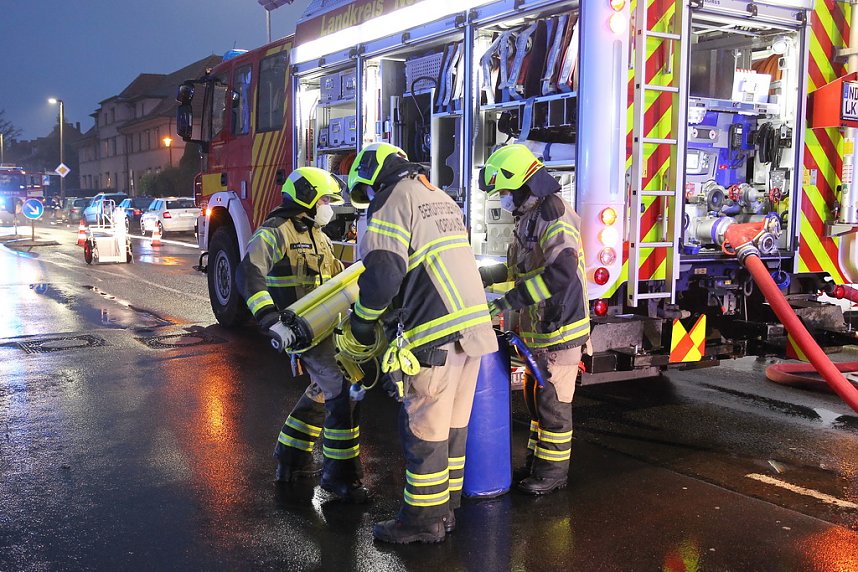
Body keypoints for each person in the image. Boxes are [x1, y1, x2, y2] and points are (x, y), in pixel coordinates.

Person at [343, 142, 497, 544]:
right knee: (452, 427)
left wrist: (362, 322)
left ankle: (420, 523)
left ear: (373, 176)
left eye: (366, 191)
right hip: (474, 330)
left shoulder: (391, 200)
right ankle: (445, 512)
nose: (368, 200)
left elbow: (383, 275)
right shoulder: (439, 196)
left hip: (435, 333)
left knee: (424, 425)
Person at [236, 166, 368, 503]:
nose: (328, 205)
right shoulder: (276, 232)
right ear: (307, 198)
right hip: (301, 330)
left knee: (321, 390)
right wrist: (269, 317)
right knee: (341, 392)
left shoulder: (317, 234)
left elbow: (335, 279)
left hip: (327, 327)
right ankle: (340, 477)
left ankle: (291, 457)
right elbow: (249, 274)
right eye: (324, 198)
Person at [477, 143, 589, 496]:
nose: (504, 199)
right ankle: (538, 463)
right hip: (541, 330)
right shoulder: (531, 216)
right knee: (536, 398)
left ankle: (553, 474)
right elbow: (522, 270)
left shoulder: (553, 216)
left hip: (560, 328)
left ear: (525, 185)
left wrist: (511, 300)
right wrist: (481, 275)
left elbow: (561, 273)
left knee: (554, 404)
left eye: (506, 192)